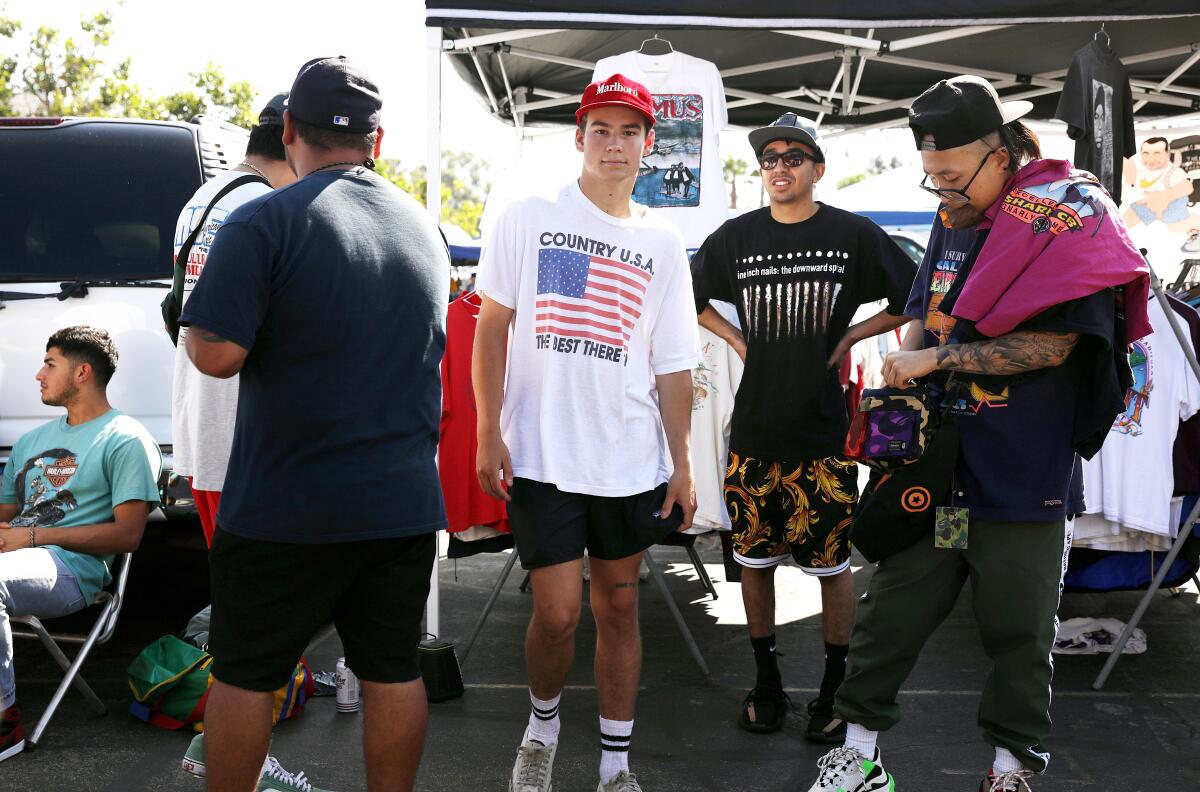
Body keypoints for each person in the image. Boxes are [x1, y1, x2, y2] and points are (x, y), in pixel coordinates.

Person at [806, 75, 1150, 792]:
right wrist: (902, 380)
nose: (942, 194)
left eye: (953, 178)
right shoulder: (953, 218)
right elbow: (924, 311)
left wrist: (935, 358)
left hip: (1023, 473)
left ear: (1002, 153)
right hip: (940, 472)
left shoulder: (1068, 218)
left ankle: (1009, 768)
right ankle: (859, 756)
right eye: (931, 180)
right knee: (893, 612)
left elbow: (1054, 346)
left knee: (1020, 632)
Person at [180, 56, 449, 792]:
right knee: (393, 671)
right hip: (399, 502)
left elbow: (219, 356)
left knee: (243, 674)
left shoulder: (264, 218)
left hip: (284, 504)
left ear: (289, 129)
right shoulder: (424, 230)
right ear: (377, 141)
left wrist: (194, 325)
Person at [473, 73, 699, 792]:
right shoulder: (529, 217)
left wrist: (684, 464)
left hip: (629, 455)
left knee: (621, 605)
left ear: (649, 145)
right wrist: (487, 430)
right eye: (601, 129)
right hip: (542, 451)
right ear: (579, 137)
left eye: (630, 131)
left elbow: (672, 366)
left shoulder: (663, 244)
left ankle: (614, 765)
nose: (615, 144)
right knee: (559, 614)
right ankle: (542, 725)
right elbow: (490, 329)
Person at [690, 113, 916, 743]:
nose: (780, 166)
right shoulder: (735, 237)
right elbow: (691, 295)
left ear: (818, 168)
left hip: (823, 431)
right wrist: (738, 340)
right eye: (769, 158)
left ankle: (832, 690)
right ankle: (766, 683)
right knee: (753, 560)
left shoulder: (852, 235)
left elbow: (915, 293)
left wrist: (851, 334)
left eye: (794, 156)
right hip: (756, 428)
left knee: (832, 565)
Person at [0, 327, 161, 763]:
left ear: (82, 372)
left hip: (73, 570)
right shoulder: (32, 441)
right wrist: (17, 535)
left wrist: (32, 536)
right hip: (17, 554)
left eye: (50, 364)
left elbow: (129, 536)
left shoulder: (125, 440)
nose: (38, 374)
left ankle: (3, 722)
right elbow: (5, 513)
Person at [172, 92, 296, 548]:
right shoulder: (265, 209)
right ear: (293, 143)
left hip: (199, 416)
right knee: (260, 592)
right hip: (240, 430)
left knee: (229, 580)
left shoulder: (202, 198)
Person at [1123, 136, 1199, 233]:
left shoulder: (1172, 171)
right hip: (1147, 207)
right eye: (1146, 154)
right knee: (1125, 221)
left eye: (1157, 153)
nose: (1151, 158)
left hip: (1171, 211)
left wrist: (1164, 196)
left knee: (1175, 226)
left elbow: (1187, 187)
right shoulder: (1141, 171)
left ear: (1167, 154)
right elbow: (1129, 173)